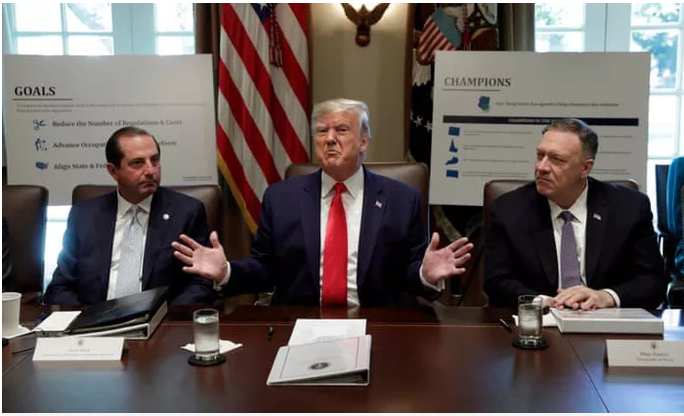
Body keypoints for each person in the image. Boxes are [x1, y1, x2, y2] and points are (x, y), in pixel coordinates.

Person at [172, 98, 473, 307]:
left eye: (341, 130)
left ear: (364, 142)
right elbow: (265, 268)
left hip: (375, 322)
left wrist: (425, 275)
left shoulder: (401, 199)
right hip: (299, 321)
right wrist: (226, 272)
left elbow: (408, 273)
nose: (330, 139)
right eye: (321, 131)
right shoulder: (281, 198)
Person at [484, 118, 666, 309]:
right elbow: (496, 281)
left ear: (585, 168)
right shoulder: (509, 209)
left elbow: (653, 282)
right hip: (541, 319)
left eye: (557, 159)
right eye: (540, 155)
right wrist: (541, 302)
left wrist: (605, 297)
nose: (542, 167)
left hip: (604, 318)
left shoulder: (629, 207)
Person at [44, 126, 214, 305]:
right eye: (138, 163)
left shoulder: (186, 212)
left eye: (154, 160)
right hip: (93, 317)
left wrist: (167, 316)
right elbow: (61, 285)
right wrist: (82, 317)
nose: (150, 171)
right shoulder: (84, 215)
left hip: (161, 318)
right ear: (113, 171)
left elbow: (200, 283)